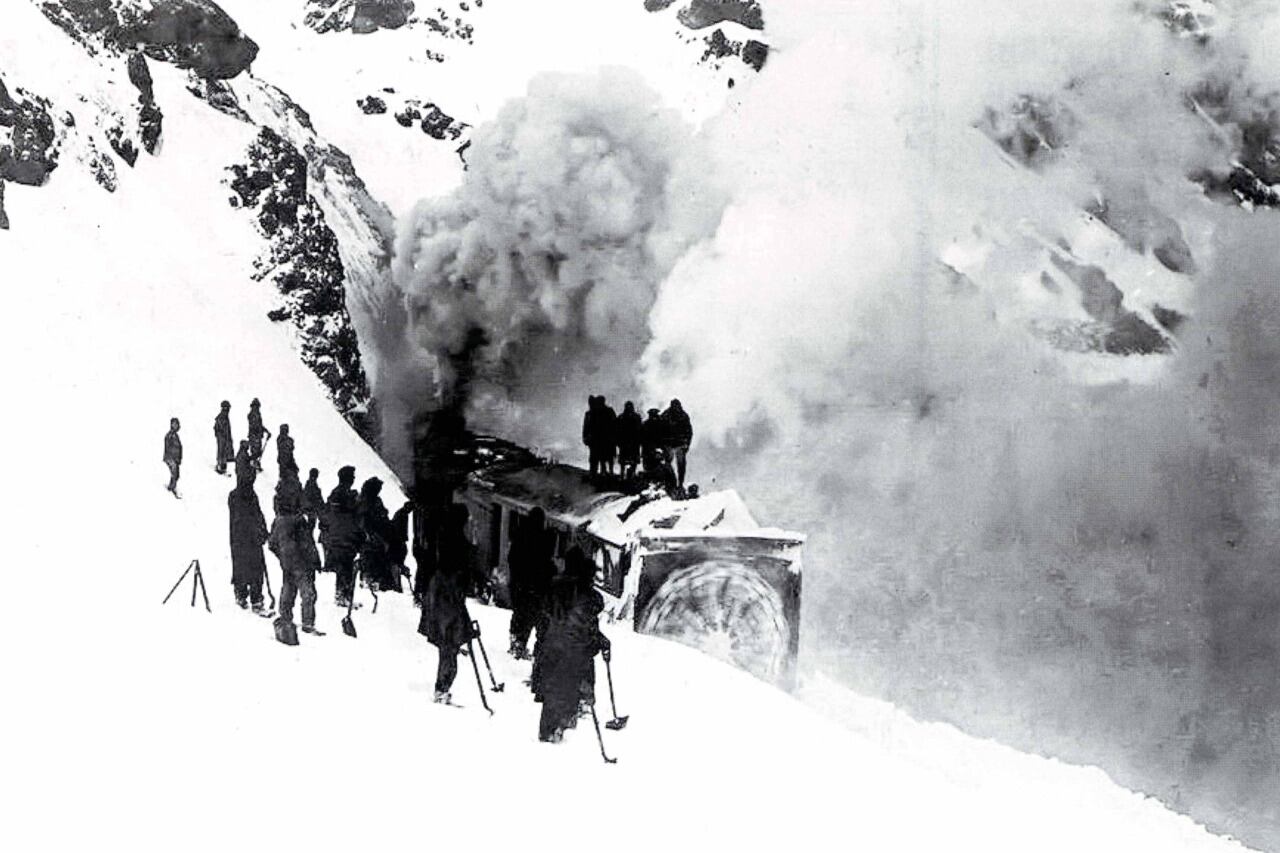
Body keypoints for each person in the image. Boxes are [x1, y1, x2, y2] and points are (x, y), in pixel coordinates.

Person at [536, 538, 609, 743]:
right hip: (572, 651)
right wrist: (601, 643)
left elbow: (545, 615)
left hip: (551, 645)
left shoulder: (556, 586)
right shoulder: (588, 597)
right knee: (567, 691)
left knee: (552, 691)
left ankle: (548, 730)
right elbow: (585, 629)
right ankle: (558, 728)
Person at [418, 505, 478, 703]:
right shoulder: (458, 542)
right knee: (449, 646)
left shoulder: (442, 536)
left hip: (439, 593)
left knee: (447, 645)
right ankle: (442, 687)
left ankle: (442, 686)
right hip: (449, 596)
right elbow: (463, 573)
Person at [268, 478, 322, 635]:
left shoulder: (278, 521)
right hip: (302, 562)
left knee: (288, 589)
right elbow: (307, 544)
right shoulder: (298, 521)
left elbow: (272, 543)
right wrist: (314, 560)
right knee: (308, 593)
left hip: (288, 562)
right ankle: (308, 623)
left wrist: (283, 556)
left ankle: (285, 617)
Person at [507, 508, 556, 660]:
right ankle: (527, 646)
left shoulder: (520, 536)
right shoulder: (541, 539)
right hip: (536, 587)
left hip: (520, 585)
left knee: (521, 615)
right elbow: (547, 561)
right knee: (535, 617)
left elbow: (512, 559)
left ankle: (517, 643)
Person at [321, 465, 363, 607]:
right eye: (352, 476)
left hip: (339, 535)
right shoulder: (343, 494)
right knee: (346, 567)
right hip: (345, 536)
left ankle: (343, 595)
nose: (353, 479)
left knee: (345, 567)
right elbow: (351, 511)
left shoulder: (336, 494)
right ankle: (343, 596)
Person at [228, 477, 268, 613]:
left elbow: (258, 515)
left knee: (250, 569)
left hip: (244, 540)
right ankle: (248, 597)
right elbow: (250, 517)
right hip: (244, 539)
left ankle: (250, 597)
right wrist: (260, 531)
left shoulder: (244, 495)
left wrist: (263, 530)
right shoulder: (240, 496)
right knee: (249, 569)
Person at [356, 477, 398, 593]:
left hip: (377, 535)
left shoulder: (374, 500)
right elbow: (363, 519)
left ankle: (378, 581)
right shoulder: (364, 501)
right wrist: (369, 534)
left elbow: (382, 513)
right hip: (369, 536)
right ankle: (369, 581)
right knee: (370, 559)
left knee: (378, 558)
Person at [663, 399, 693, 490]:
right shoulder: (666, 415)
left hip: (680, 444)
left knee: (681, 464)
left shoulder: (684, 416)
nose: (676, 408)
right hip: (669, 443)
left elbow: (689, 432)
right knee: (668, 463)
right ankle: (671, 482)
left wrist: (687, 444)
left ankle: (680, 484)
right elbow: (660, 430)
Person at [640, 408, 673, 490]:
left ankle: (660, 483)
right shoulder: (656, 424)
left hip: (654, 449)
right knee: (652, 467)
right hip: (651, 450)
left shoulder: (649, 424)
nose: (654, 417)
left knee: (659, 467)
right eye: (653, 415)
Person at [616, 401, 642, 481]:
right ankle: (623, 474)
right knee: (625, 460)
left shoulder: (622, 417)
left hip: (631, 442)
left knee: (630, 460)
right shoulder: (623, 417)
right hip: (627, 442)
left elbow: (640, 430)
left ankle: (627, 474)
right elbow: (617, 430)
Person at [247, 398, 271, 472]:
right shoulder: (252, 415)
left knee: (257, 451)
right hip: (254, 435)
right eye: (256, 406)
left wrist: (266, 431)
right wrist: (262, 431)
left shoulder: (257, 415)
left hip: (257, 436)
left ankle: (254, 464)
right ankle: (251, 464)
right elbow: (255, 426)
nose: (257, 408)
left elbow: (260, 425)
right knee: (255, 451)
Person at [582, 395, 603, 476]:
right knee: (594, 457)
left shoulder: (595, 414)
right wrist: (585, 437)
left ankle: (596, 472)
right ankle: (594, 472)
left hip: (597, 438)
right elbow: (585, 426)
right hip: (592, 439)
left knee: (597, 456)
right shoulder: (589, 414)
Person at [597, 397, 618, 476]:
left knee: (605, 456)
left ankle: (606, 471)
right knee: (606, 456)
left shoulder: (602, 411)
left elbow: (615, 424)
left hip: (606, 437)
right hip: (606, 437)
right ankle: (607, 471)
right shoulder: (608, 411)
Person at [163, 417, 182, 497]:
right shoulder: (169, 435)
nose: (176, 426)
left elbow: (179, 448)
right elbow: (168, 448)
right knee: (174, 472)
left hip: (175, 458)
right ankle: (171, 488)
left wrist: (179, 458)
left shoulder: (176, 435)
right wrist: (171, 458)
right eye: (174, 424)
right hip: (170, 458)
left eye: (177, 424)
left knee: (176, 474)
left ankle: (172, 487)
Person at [213, 401, 234, 475]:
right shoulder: (221, 417)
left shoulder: (225, 416)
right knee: (221, 451)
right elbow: (218, 428)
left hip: (225, 437)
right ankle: (220, 465)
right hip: (222, 437)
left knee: (224, 450)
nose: (228, 410)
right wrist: (221, 435)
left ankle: (223, 465)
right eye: (227, 408)